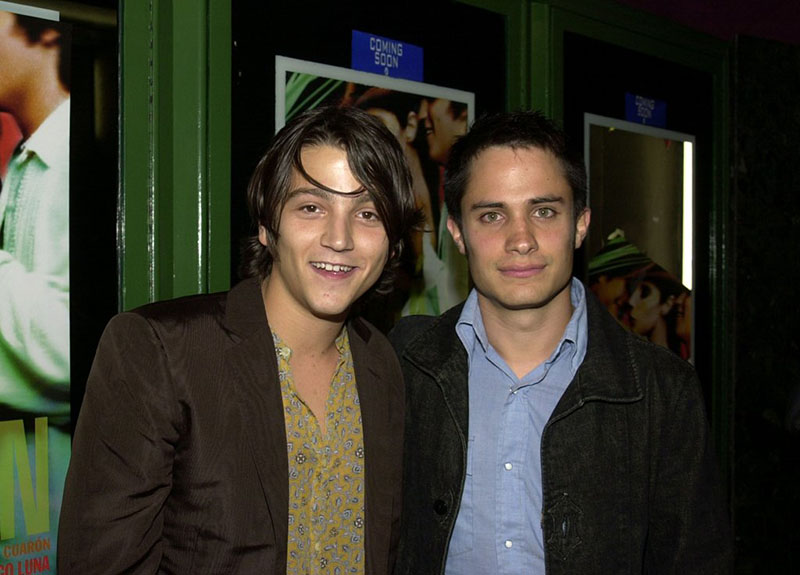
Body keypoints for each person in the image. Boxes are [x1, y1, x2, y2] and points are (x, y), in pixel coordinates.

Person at [58, 106, 420, 574]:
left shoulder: (381, 363)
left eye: (367, 213)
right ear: (268, 226)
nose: (340, 238)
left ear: (391, 243)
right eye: (311, 207)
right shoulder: (160, 351)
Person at [390, 110, 732, 574]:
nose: (521, 240)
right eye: (492, 215)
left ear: (581, 224)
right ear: (458, 234)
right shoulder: (406, 365)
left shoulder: (662, 390)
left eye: (544, 211)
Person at [0, 8, 71, 550]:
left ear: (45, 28)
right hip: (22, 479)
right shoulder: (30, 160)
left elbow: (70, 352)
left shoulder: (74, 160)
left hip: (53, 486)